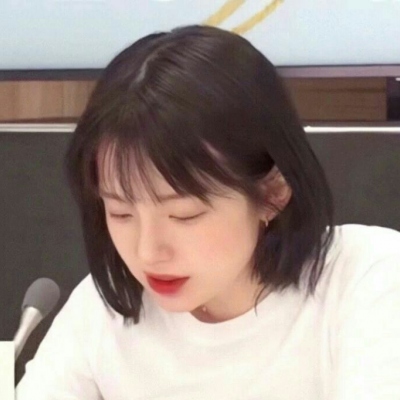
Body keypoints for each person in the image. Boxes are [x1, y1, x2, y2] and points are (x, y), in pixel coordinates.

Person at [16, 25, 400, 400]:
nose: (148, 252)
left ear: (273, 192)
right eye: (120, 213)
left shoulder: (369, 277)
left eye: (184, 215)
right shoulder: (102, 307)